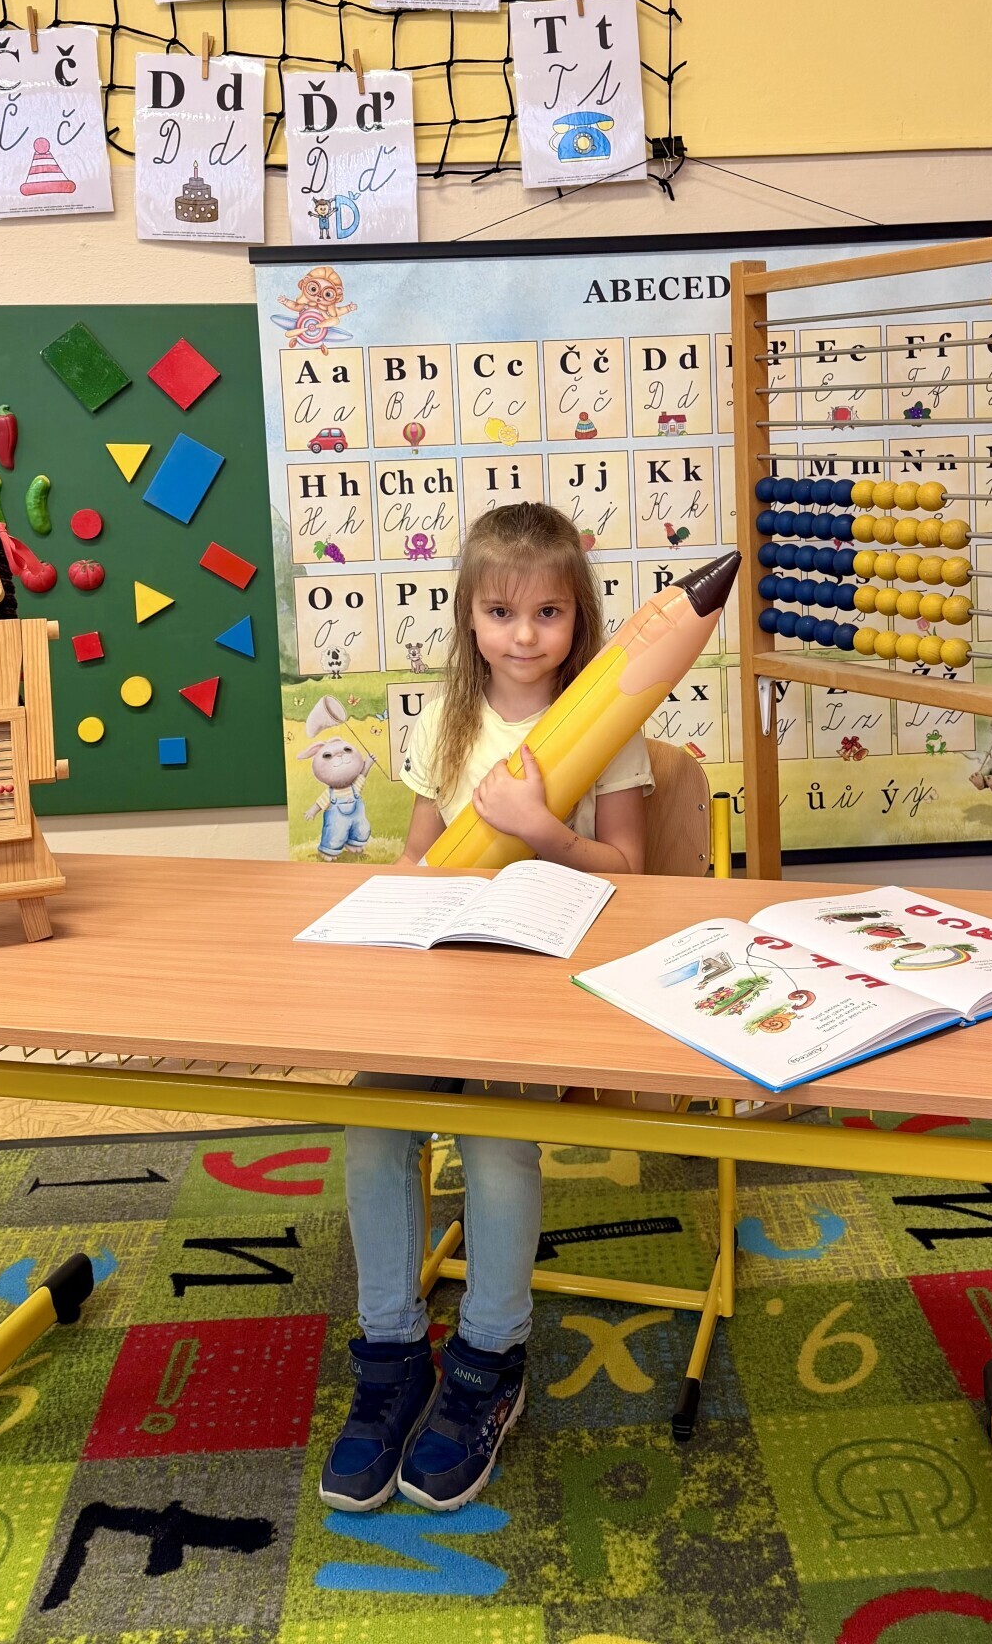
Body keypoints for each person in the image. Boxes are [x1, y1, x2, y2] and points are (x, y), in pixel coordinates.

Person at [320, 502, 652, 1515]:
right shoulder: (445, 722)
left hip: (539, 980)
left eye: (548, 612)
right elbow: (419, 856)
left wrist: (541, 830)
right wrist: (403, 883)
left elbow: (631, 874)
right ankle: (390, 1354)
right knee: (373, 1124)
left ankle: (488, 1359)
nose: (524, 635)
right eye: (501, 612)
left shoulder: (607, 724)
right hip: (441, 976)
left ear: (578, 620)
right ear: (469, 617)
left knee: (498, 1144)